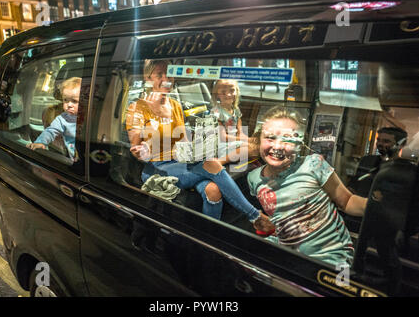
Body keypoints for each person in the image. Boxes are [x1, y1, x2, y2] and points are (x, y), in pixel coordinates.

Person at [125, 59, 274, 233]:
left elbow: (183, 140)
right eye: (159, 74)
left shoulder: (174, 105)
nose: (166, 78)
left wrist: (198, 149)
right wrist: (142, 151)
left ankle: (207, 237)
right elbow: (136, 146)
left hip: (180, 161)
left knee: (213, 190)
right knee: (211, 164)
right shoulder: (137, 107)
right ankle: (255, 216)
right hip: (157, 167)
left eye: (170, 74)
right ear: (148, 77)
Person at [246, 106, 367, 266]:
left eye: (288, 139)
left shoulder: (313, 164)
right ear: (258, 140)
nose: (278, 146)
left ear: (299, 144)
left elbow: (347, 201)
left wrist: (376, 208)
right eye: (270, 138)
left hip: (334, 258)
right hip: (288, 255)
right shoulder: (253, 178)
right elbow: (280, 216)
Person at [27, 77, 81, 160]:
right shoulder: (62, 119)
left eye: (74, 101)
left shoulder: (90, 118)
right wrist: (40, 142)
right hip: (72, 160)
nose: (69, 105)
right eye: (66, 100)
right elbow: (50, 131)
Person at [348, 126, 408, 197]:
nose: (380, 144)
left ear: (401, 145)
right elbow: (353, 185)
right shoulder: (367, 160)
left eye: (386, 141)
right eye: (378, 140)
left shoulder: (406, 169)